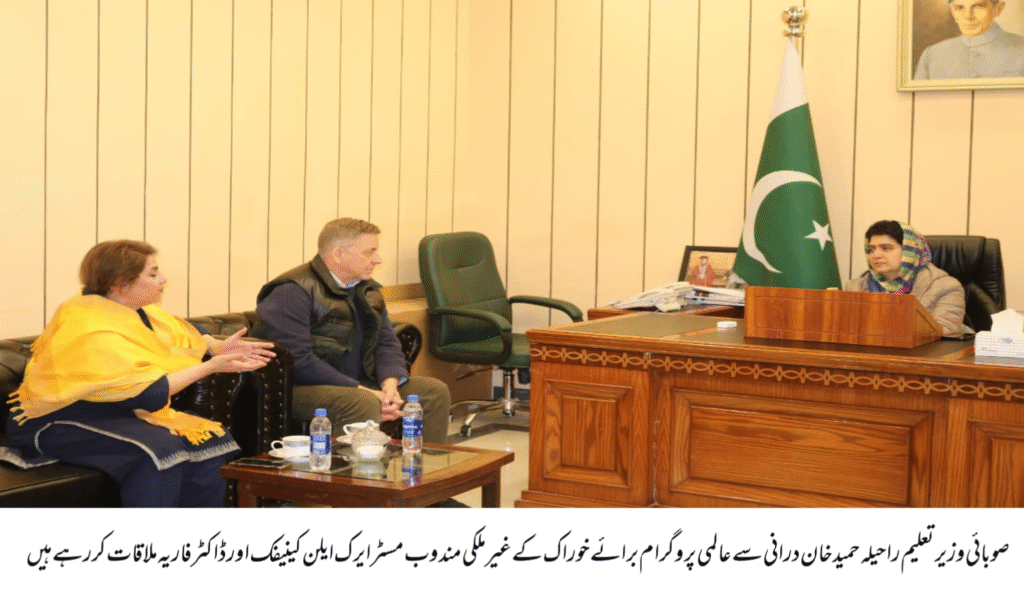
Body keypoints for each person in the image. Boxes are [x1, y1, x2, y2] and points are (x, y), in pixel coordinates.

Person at [1, 240, 275, 507]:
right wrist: (210, 366)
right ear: (120, 284)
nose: (163, 280)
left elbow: (186, 333)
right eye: (153, 274)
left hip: (116, 411)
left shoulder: (139, 312)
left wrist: (215, 347)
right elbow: (147, 393)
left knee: (213, 439)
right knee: (160, 451)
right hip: (60, 417)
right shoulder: (90, 324)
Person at [254, 218, 451, 444]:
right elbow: (299, 360)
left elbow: (386, 342)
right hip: (299, 388)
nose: (378, 259)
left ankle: (424, 463)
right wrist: (362, 390)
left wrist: (389, 386)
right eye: (369, 252)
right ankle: (351, 468)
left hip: (356, 384)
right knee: (362, 401)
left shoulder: (367, 290)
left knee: (433, 391)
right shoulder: (292, 292)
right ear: (339, 254)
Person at [845, 221, 970, 337]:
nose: (875, 255)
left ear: (909, 251)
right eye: (871, 249)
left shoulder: (946, 287)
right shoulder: (855, 287)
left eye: (886, 248)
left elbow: (944, 333)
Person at [915, 0, 1024, 79]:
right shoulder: (932, 55)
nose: (968, 16)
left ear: (998, 9)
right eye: (960, 8)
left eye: (978, 6)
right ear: (953, 12)